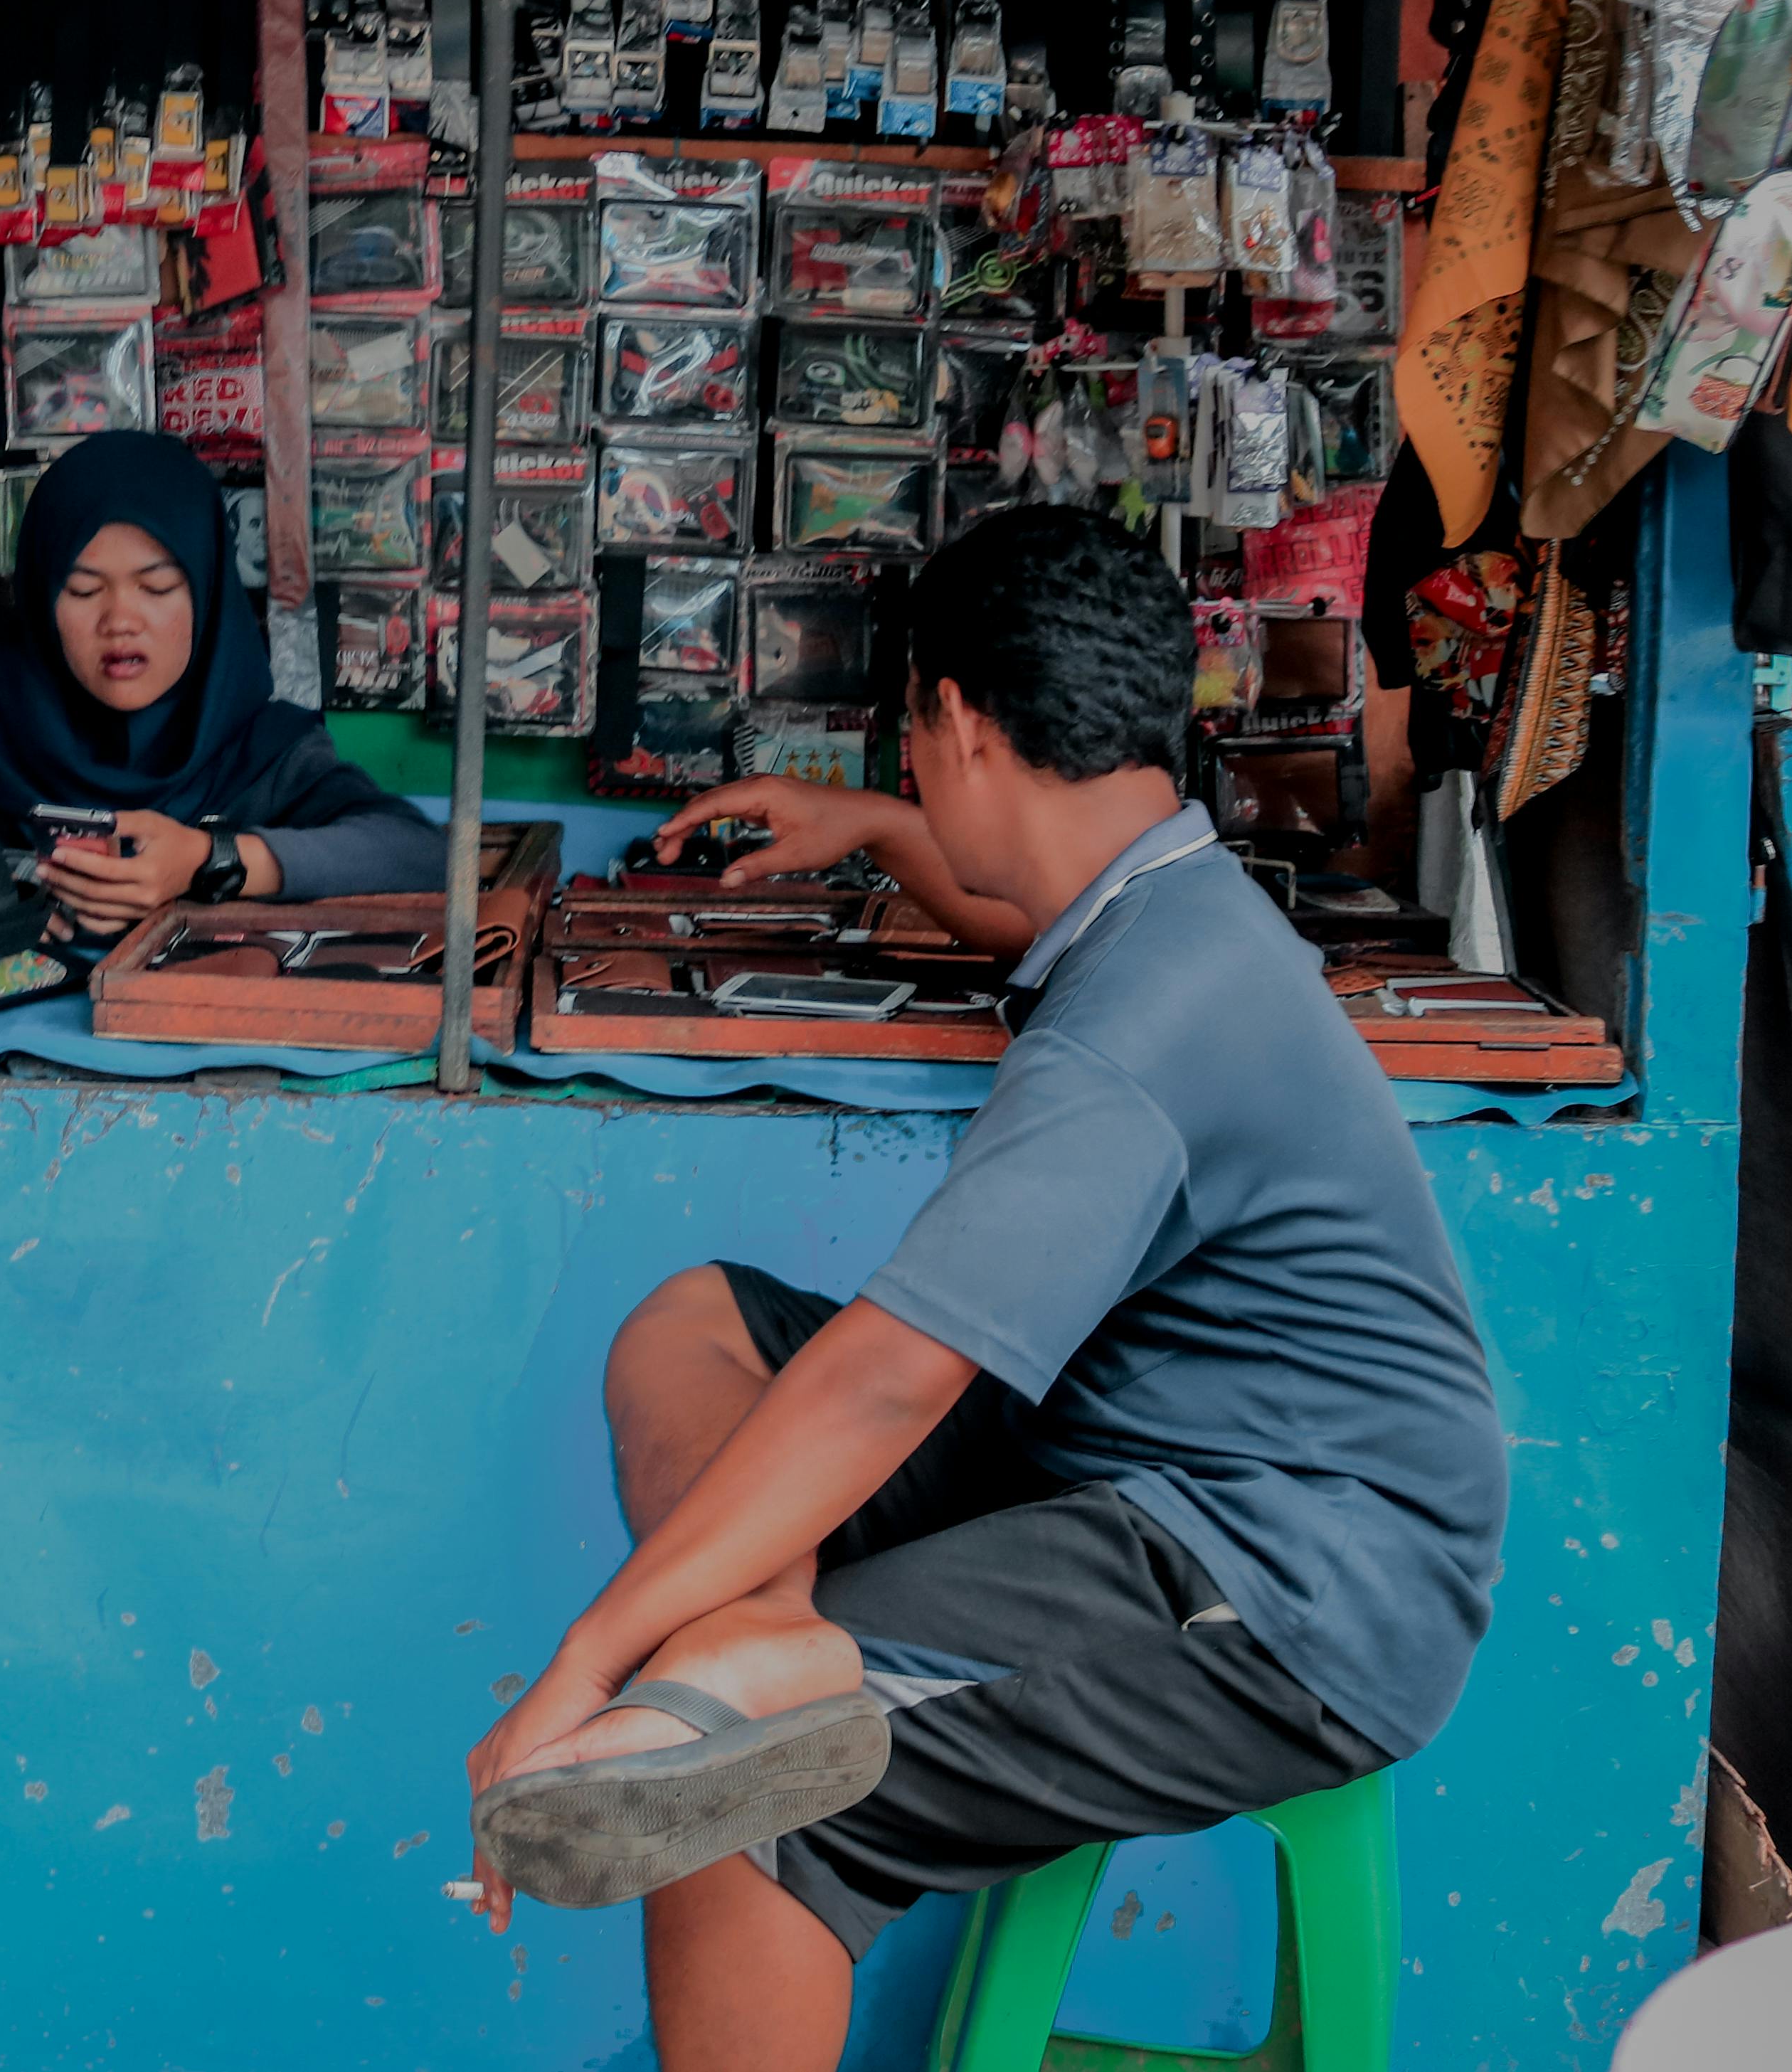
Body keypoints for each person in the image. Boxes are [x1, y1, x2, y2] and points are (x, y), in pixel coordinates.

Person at [460, 506, 1507, 2072]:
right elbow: (1021, 912)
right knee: (696, 1322)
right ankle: (770, 1628)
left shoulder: (1136, 1025)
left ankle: (752, 1671)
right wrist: (883, 832)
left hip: (1293, 1584)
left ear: (952, 714)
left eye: (913, 745)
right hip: (1143, 1468)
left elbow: (889, 1377)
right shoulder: (1171, 902)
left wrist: (591, 1658)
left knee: (734, 1794)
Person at [0, 428, 439, 938]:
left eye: (156, 588)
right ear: (39, 597)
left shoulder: (262, 748)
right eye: (83, 591)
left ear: (208, 592)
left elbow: (418, 854)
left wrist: (210, 859)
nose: (120, 620)